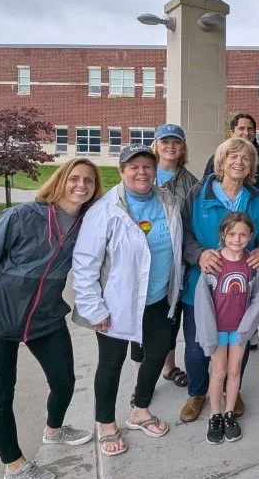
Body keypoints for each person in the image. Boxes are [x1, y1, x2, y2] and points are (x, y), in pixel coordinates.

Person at [0, 159, 101, 479]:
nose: (81, 185)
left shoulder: (89, 224)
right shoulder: (21, 217)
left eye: (88, 180)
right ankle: (14, 466)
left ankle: (54, 430)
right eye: (74, 178)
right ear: (60, 181)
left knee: (65, 380)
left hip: (45, 317)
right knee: (0, 395)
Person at [72, 144, 184, 456]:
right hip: (116, 305)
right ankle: (105, 423)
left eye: (147, 166)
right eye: (133, 166)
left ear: (156, 170)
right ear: (121, 171)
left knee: (157, 354)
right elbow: (84, 264)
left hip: (160, 299)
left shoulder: (168, 202)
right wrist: (94, 308)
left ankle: (140, 409)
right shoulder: (105, 211)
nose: (141, 172)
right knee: (111, 363)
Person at [179, 137, 259, 423]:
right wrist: (198, 254)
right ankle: (197, 392)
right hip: (203, 285)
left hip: (239, 288)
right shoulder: (198, 194)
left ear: (252, 165)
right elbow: (182, 234)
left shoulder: (256, 198)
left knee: (239, 340)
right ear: (221, 161)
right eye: (233, 156)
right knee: (197, 345)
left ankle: (233, 390)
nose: (239, 162)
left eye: (245, 158)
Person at [132, 123, 198, 389]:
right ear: (155, 145)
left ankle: (168, 368)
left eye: (176, 142)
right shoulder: (143, 174)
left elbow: (192, 220)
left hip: (176, 262)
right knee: (141, 321)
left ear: (182, 148)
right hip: (143, 261)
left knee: (171, 318)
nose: (170, 146)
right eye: (165, 141)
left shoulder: (191, 182)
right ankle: (140, 380)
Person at [192, 212, 259, 444]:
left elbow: (257, 298)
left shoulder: (253, 265)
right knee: (219, 371)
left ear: (250, 236)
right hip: (217, 330)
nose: (237, 239)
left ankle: (229, 412)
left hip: (239, 330)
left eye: (243, 234)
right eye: (232, 234)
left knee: (235, 371)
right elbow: (202, 301)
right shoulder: (213, 264)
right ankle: (215, 414)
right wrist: (208, 333)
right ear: (223, 234)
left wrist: (247, 328)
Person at [203, 114, 259, 204]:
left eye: (250, 129)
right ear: (232, 132)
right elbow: (206, 189)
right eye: (241, 128)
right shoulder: (217, 159)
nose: (246, 133)